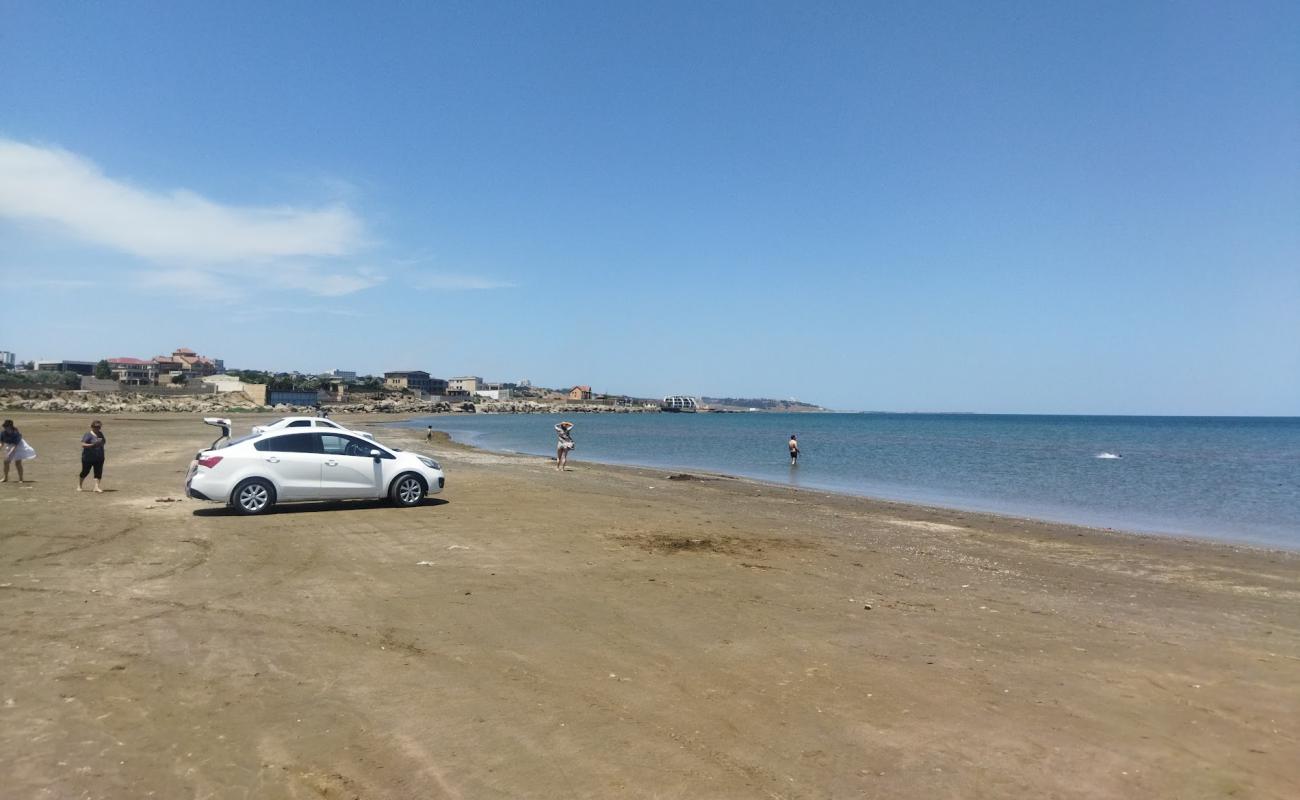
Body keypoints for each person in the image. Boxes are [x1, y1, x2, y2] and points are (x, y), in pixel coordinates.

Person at [78, 419, 106, 492]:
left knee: (98, 472)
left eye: (99, 427)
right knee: (85, 471)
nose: (97, 428)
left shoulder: (100, 433)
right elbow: (83, 444)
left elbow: (104, 441)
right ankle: (80, 485)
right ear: (92, 426)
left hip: (99, 457)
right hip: (88, 457)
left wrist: (101, 443)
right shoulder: (88, 434)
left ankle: (96, 487)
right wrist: (92, 445)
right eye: (96, 427)